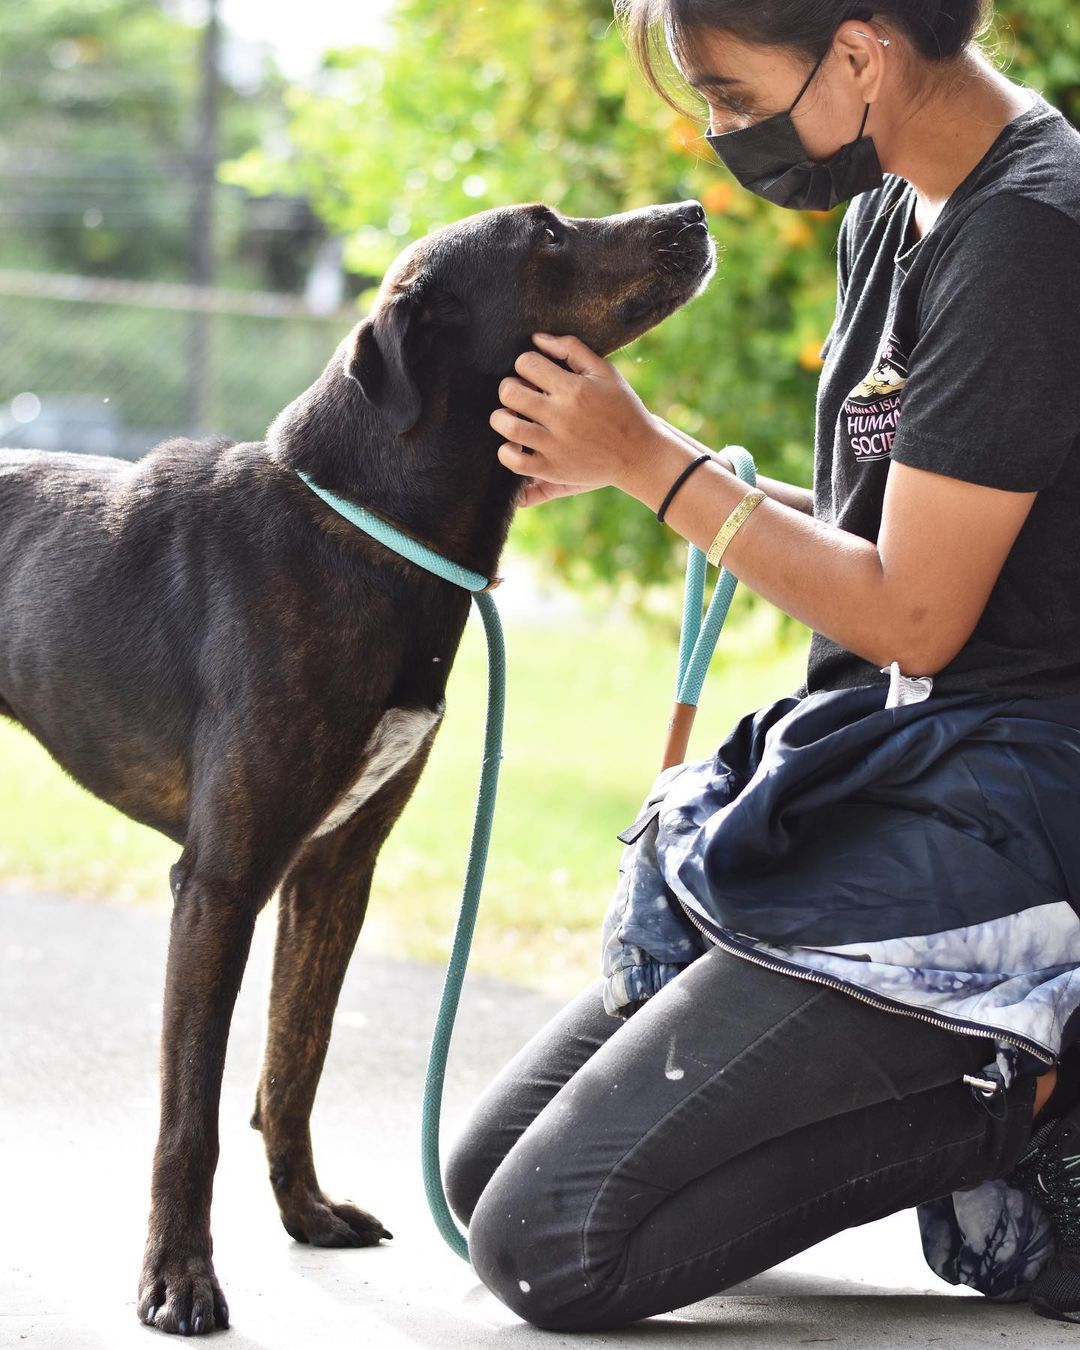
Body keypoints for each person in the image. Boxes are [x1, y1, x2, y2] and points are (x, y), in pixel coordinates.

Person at [444, 0, 1080, 1330]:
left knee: (550, 1247)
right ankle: (933, 1081)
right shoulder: (892, 214)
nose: (726, 139)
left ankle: (1026, 1102)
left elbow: (914, 615)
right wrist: (642, 479)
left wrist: (652, 461)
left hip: (1005, 819)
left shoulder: (1030, 232)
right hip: (888, 772)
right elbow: (901, 530)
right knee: (482, 1175)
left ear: (858, 52)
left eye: (732, 97)